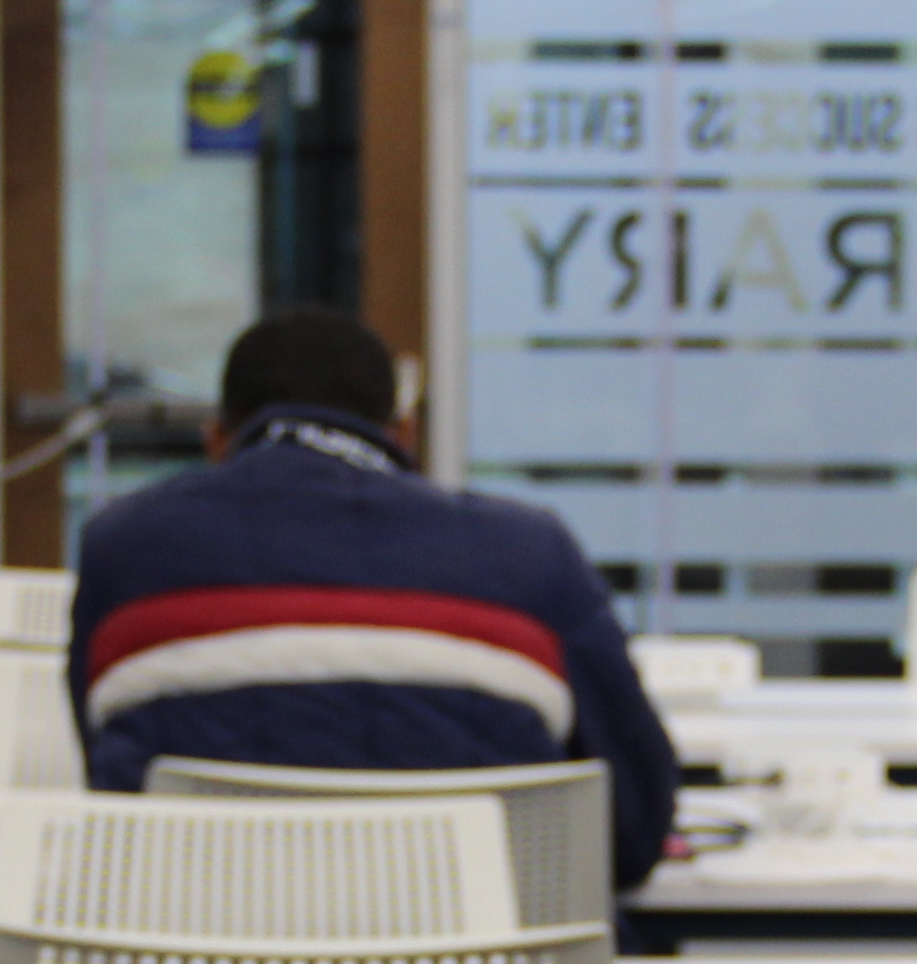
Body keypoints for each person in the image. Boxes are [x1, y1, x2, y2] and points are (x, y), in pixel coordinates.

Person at [67, 305, 681, 894]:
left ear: (216, 441)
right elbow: (633, 826)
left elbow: (108, 789)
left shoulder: (122, 546)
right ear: (405, 432)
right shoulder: (531, 553)